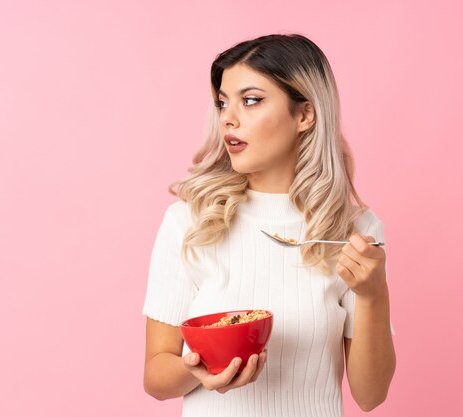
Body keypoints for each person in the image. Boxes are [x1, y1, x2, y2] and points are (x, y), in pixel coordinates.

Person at [142, 33, 396, 417]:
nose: (228, 117)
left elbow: (370, 395)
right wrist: (197, 369)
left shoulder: (352, 229)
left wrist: (374, 295)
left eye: (251, 100)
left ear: (305, 115)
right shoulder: (189, 222)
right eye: (222, 102)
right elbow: (155, 377)